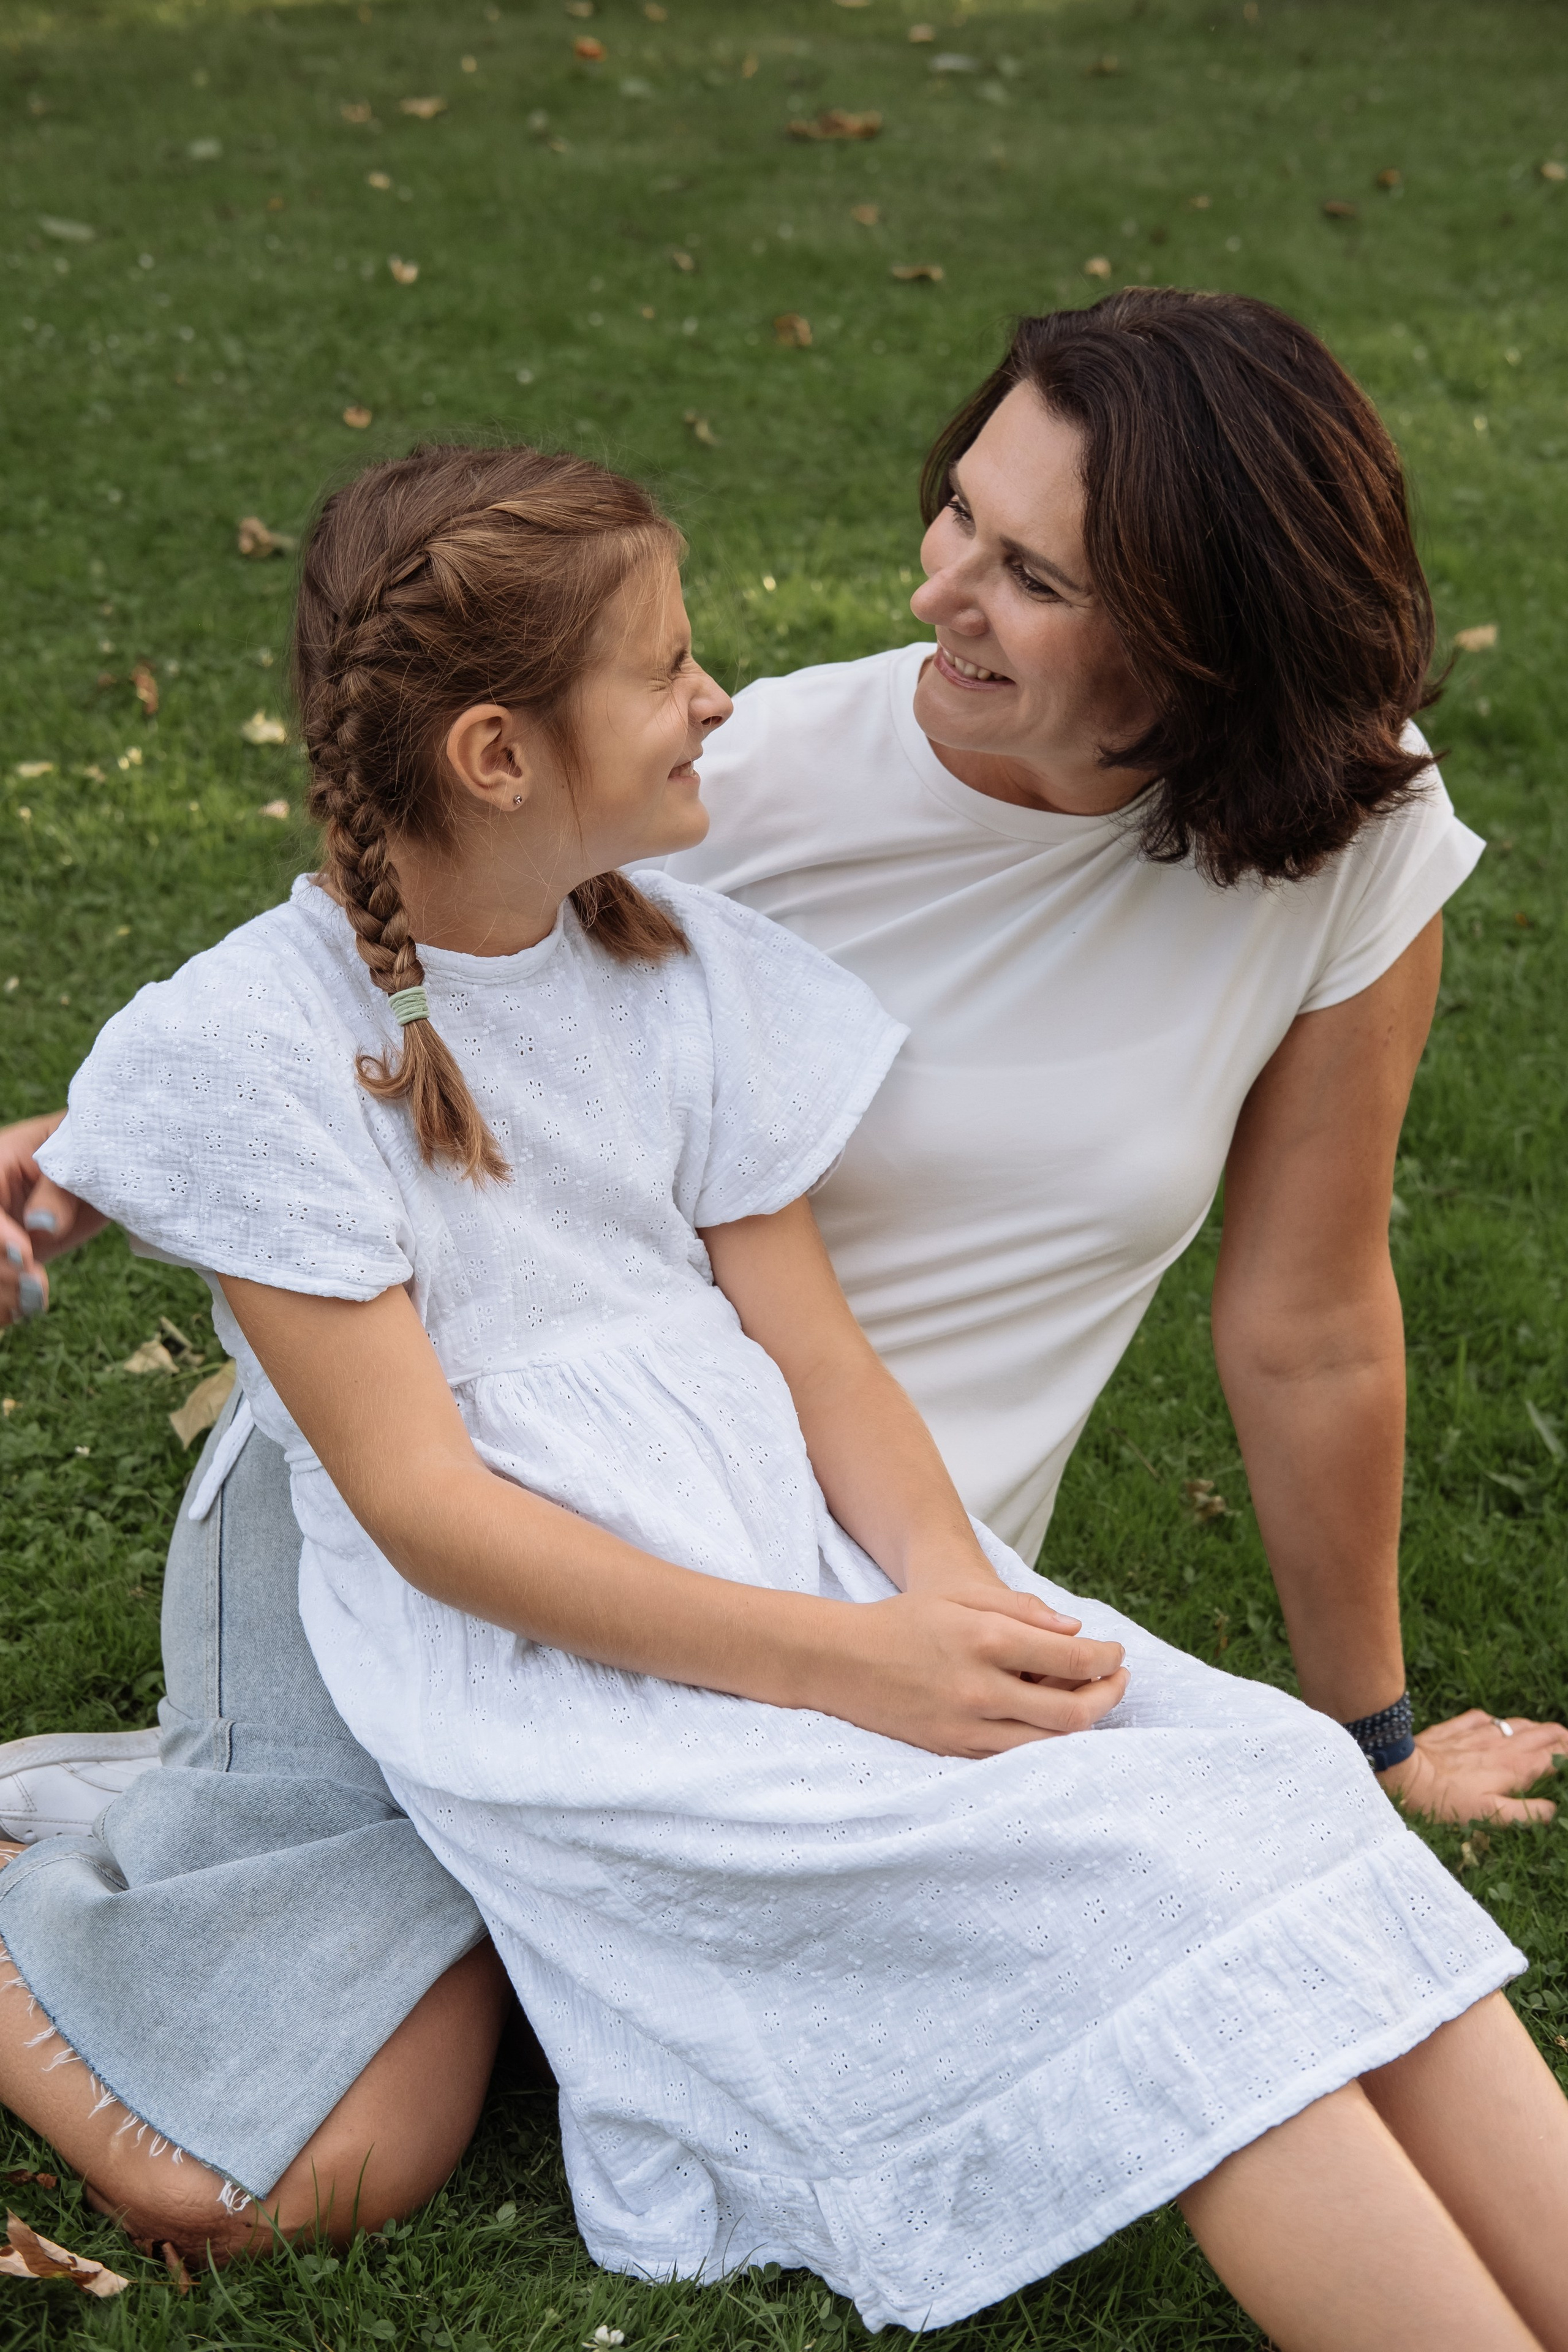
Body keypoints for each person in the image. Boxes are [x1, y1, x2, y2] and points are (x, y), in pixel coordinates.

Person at [0, 288, 1562, 2266]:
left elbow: (1310, 1314)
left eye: (1031, 574)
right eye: (959, 518)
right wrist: (100, 1141)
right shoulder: (739, 807)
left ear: (1201, 645)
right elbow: (389, 985)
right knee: (324, 2150)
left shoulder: (1338, 826)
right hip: (500, 1561)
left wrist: (1364, 1733)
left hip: (831, 1548)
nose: (934, 596)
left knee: (1202, 1834)